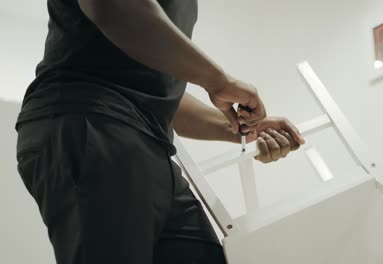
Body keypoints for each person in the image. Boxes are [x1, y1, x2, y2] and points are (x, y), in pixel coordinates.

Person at [15, 0, 305, 263]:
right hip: (93, 122)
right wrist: (217, 80)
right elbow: (113, 7)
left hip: (146, 142)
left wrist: (241, 130)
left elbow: (162, 95)